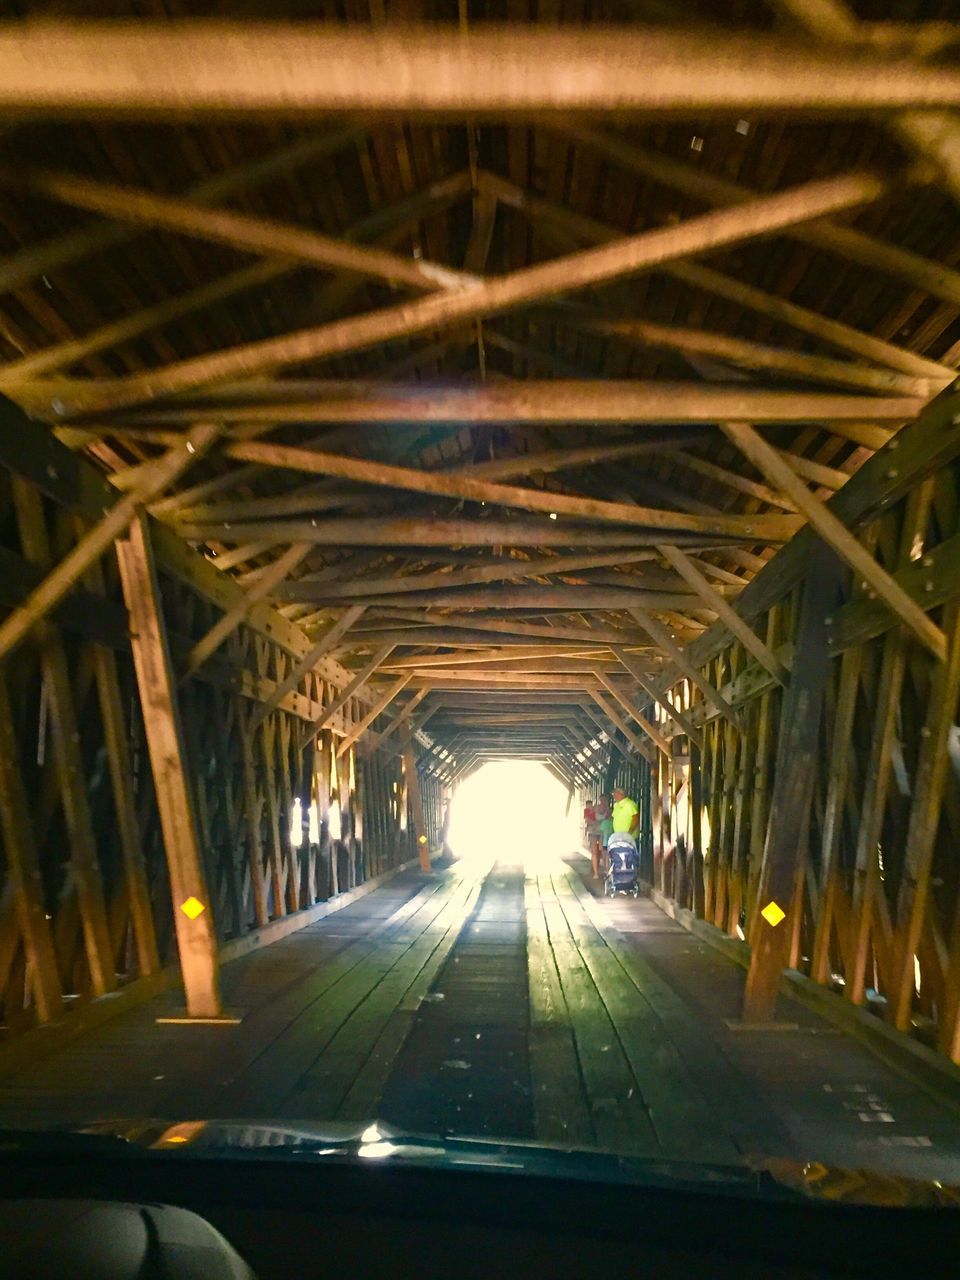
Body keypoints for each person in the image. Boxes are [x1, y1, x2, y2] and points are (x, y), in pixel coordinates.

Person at [589, 794, 611, 879]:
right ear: (599, 800)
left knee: (604, 852)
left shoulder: (609, 810)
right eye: (601, 800)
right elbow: (588, 819)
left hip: (604, 833)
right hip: (594, 832)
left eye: (605, 800)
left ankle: (606, 871)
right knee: (594, 851)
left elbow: (610, 820)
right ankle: (596, 873)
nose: (603, 802)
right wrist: (595, 824)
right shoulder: (594, 808)